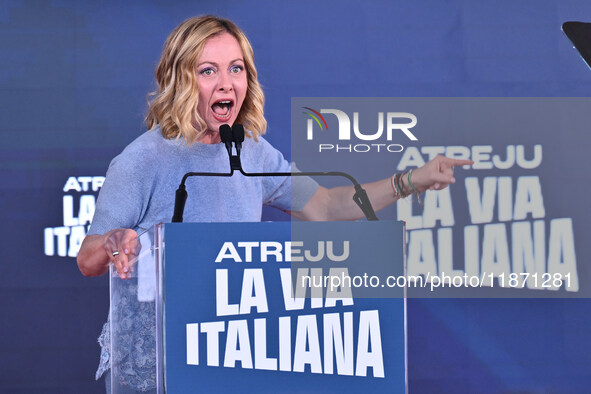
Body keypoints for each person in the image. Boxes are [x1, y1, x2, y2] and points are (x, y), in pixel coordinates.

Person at [77, 15, 472, 393]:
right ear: (180, 79)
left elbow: (327, 207)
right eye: (208, 70)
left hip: (228, 352)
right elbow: (89, 257)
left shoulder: (251, 152)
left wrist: (410, 181)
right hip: (159, 362)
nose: (226, 83)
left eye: (236, 68)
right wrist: (115, 240)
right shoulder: (143, 159)